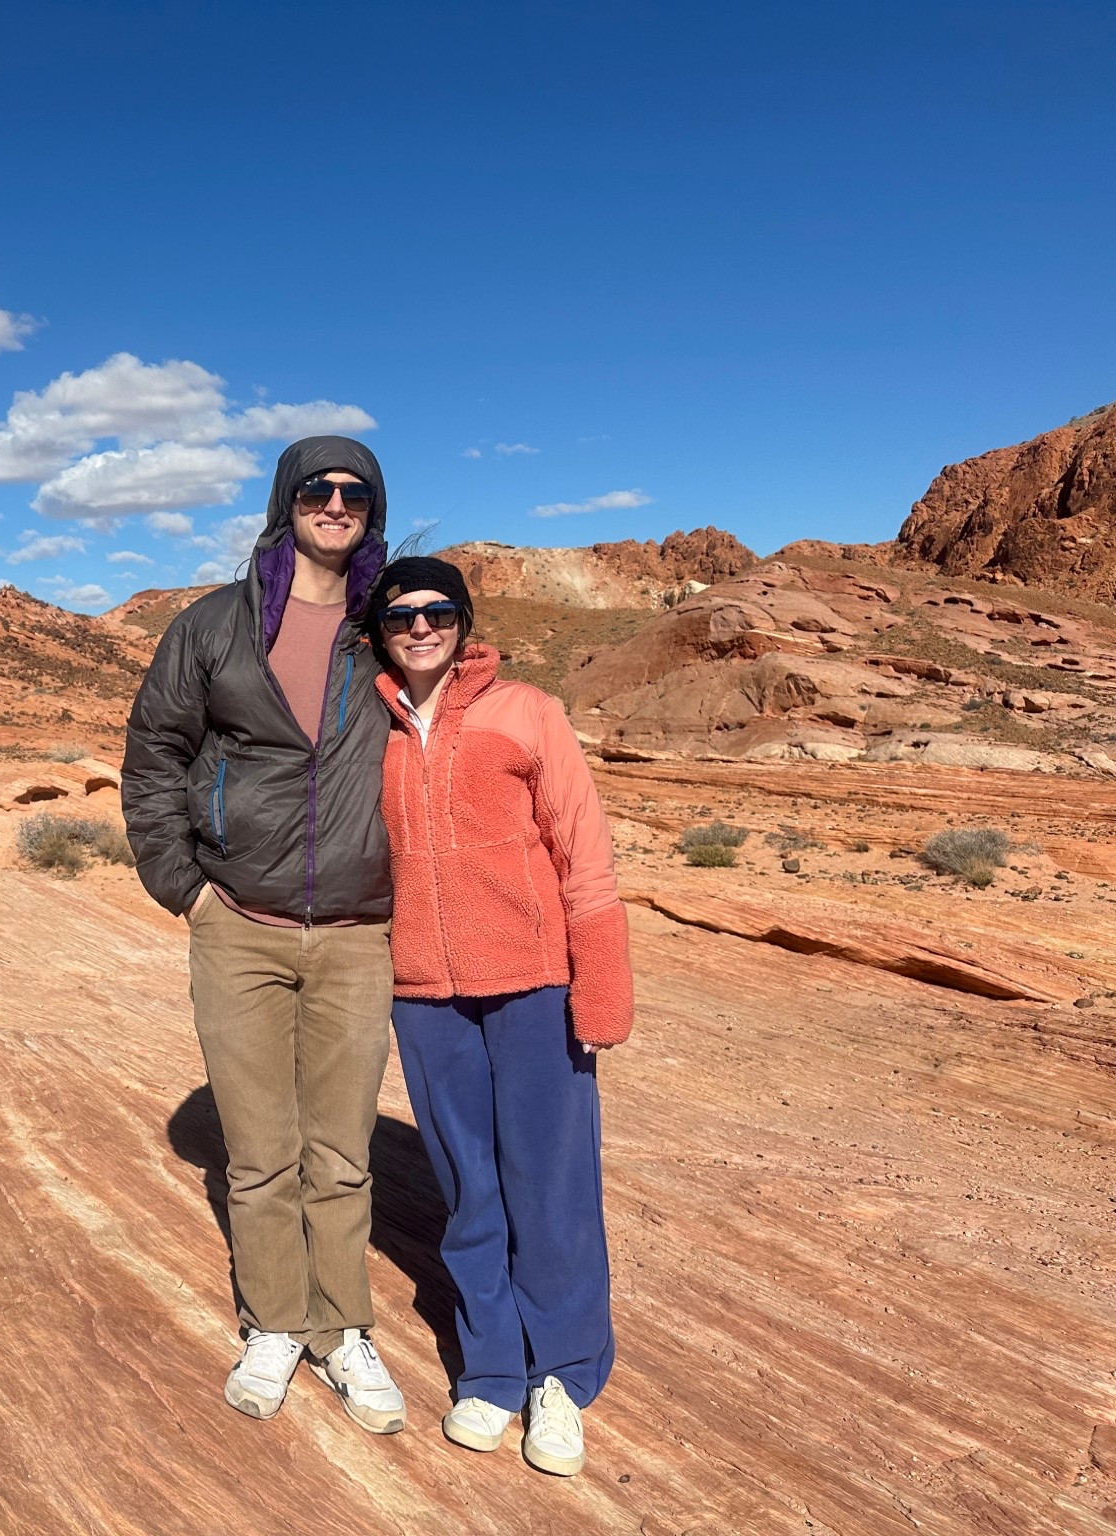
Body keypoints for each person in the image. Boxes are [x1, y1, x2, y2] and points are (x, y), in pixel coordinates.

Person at [123, 436, 405, 1433]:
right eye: (317, 490)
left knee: (340, 1152)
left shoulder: (388, 627)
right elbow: (153, 754)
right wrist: (183, 889)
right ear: (286, 502)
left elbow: (454, 707)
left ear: (371, 511)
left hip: (356, 934)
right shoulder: (215, 625)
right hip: (236, 924)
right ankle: (274, 1322)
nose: (335, 504)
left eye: (354, 493)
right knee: (257, 1153)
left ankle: (342, 1329)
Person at [364, 554, 634, 1476]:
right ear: (382, 631)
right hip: (426, 995)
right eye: (402, 615)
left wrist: (599, 980)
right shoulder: (379, 727)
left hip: (533, 984)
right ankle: (492, 1372)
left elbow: (581, 847)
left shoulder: (528, 712)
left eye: (439, 610)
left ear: (464, 620)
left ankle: (560, 1374)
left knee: (549, 1186)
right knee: (468, 1191)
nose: (422, 626)